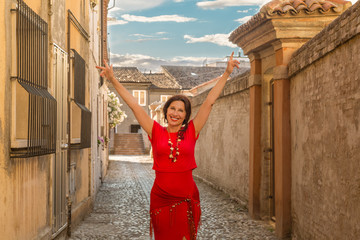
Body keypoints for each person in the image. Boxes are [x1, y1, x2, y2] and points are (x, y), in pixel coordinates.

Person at [96, 52, 239, 240]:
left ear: (186, 115)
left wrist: (227, 73)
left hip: (186, 197)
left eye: (181, 110)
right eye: (172, 108)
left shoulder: (192, 131)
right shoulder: (155, 131)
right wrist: (113, 79)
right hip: (161, 198)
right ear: (166, 111)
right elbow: (134, 106)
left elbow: (209, 102)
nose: (176, 113)